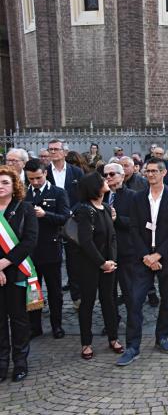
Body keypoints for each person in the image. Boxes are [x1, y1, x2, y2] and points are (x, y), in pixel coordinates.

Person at [117, 158, 168, 366]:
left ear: (164, 173)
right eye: (148, 171)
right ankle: (132, 346)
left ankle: (162, 337)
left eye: (155, 171)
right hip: (142, 257)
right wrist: (147, 255)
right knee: (135, 301)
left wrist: (159, 255)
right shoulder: (138, 198)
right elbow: (134, 229)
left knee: (167, 300)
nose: (151, 174)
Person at [70, 172, 123, 360]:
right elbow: (86, 242)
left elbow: (112, 237)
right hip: (89, 265)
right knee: (87, 303)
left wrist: (112, 261)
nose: (106, 180)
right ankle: (86, 343)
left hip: (109, 265)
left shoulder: (107, 208)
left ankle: (113, 338)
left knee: (109, 301)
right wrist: (101, 263)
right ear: (95, 187)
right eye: (102, 180)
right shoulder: (84, 210)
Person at [0, 166, 38, 383]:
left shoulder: (25, 208)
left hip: (18, 271)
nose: (0, 186)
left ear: (14, 185)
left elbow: (29, 241)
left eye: (5, 182)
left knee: (19, 319)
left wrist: (3, 264)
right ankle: (1, 363)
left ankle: (20, 362)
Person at [25, 160, 70, 339]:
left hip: (50, 248)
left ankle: (56, 325)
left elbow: (65, 217)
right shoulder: (23, 193)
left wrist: (45, 214)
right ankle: (34, 326)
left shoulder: (58, 192)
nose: (35, 182)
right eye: (31, 179)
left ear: (45, 173)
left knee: (54, 291)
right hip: (30, 252)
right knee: (33, 290)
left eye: (38, 178)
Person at [46, 139, 84, 309]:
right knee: (52, 260)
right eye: (50, 149)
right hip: (51, 220)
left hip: (72, 221)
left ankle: (77, 296)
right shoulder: (45, 172)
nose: (53, 152)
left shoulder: (76, 172)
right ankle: (52, 298)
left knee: (73, 260)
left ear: (65, 152)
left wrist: (71, 212)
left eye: (56, 149)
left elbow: (83, 195)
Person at [102, 162, 136, 318]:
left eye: (112, 174)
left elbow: (137, 222)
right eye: (105, 175)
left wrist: (117, 219)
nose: (108, 177)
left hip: (126, 249)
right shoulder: (101, 195)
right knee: (108, 291)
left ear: (122, 176)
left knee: (129, 288)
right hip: (105, 250)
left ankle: (133, 320)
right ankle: (112, 320)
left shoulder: (133, 196)